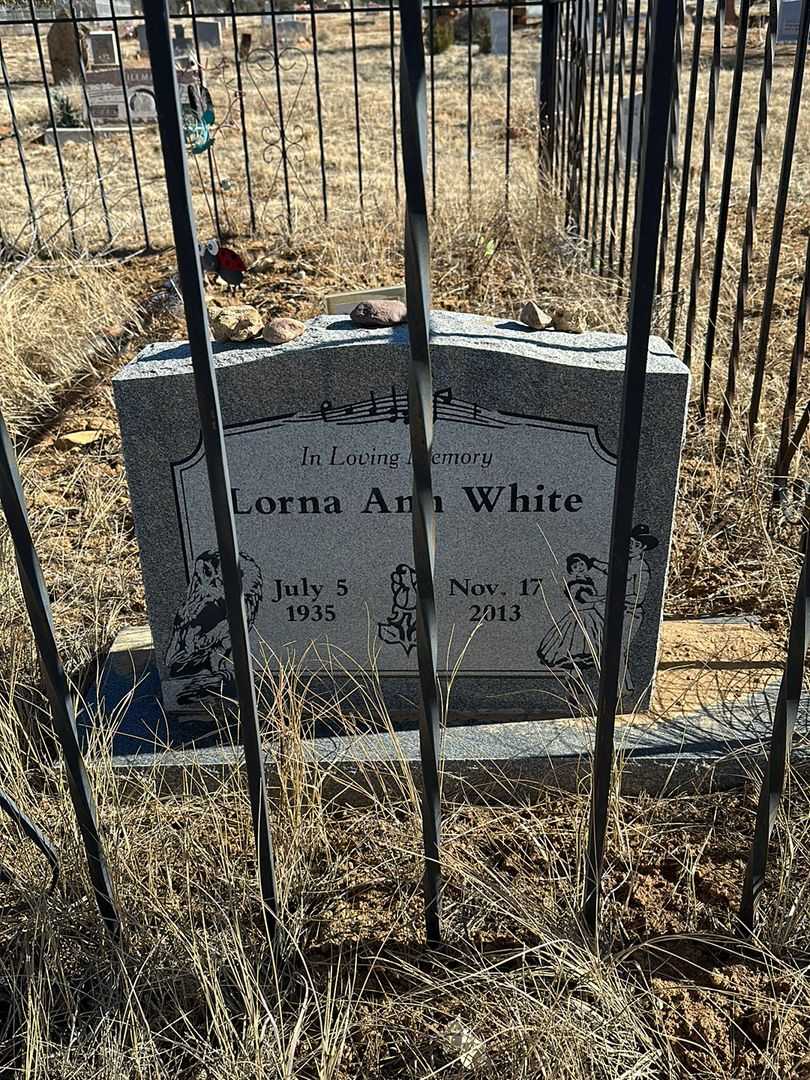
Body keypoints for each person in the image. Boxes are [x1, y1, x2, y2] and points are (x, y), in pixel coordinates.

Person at [537, 552, 607, 670]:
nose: (579, 567)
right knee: (576, 640)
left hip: (592, 615)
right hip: (581, 615)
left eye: (581, 564)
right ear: (571, 571)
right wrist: (606, 596)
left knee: (592, 640)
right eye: (575, 567)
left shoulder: (588, 581)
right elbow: (586, 598)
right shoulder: (574, 585)